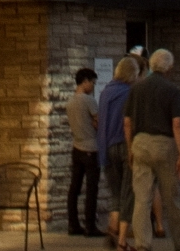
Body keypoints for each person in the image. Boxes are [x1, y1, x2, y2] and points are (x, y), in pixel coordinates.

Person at [124, 49, 180, 251]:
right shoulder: (171, 90)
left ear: (151, 65)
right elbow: (177, 123)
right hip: (164, 144)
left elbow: (127, 122)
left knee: (142, 197)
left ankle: (143, 243)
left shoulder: (137, 88)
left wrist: (130, 148)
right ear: (169, 67)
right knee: (171, 196)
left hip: (140, 142)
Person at [97, 58, 136, 251]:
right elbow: (129, 123)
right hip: (123, 144)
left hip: (107, 147)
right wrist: (131, 150)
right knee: (128, 193)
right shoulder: (129, 93)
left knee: (115, 193)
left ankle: (112, 229)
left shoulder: (105, 92)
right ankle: (121, 240)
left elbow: (101, 121)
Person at [66, 68, 101, 239]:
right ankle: (90, 226)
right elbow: (98, 122)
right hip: (91, 147)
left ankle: (73, 224)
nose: (93, 86)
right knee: (92, 189)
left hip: (76, 147)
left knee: (75, 188)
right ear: (85, 81)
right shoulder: (89, 100)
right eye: (92, 83)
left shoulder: (70, 101)